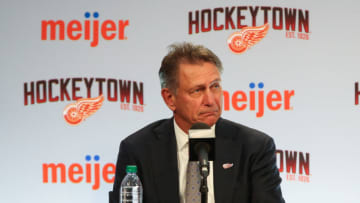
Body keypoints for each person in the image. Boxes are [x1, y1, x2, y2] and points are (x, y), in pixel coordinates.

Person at [109, 42, 285, 203]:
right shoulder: (138, 149)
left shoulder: (254, 147)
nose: (210, 100)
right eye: (197, 90)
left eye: (215, 86)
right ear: (170, 98)